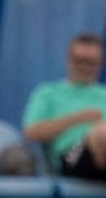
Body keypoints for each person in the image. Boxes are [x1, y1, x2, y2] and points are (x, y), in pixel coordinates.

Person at [23, 32, 106, 182]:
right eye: (80, 61)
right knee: (101, 133)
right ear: (68, 60)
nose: (85, 67)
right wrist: (77, 119)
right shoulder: (48, 93)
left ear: (100, 64)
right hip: (71, 156)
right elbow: (32, 132)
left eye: (91, 62)